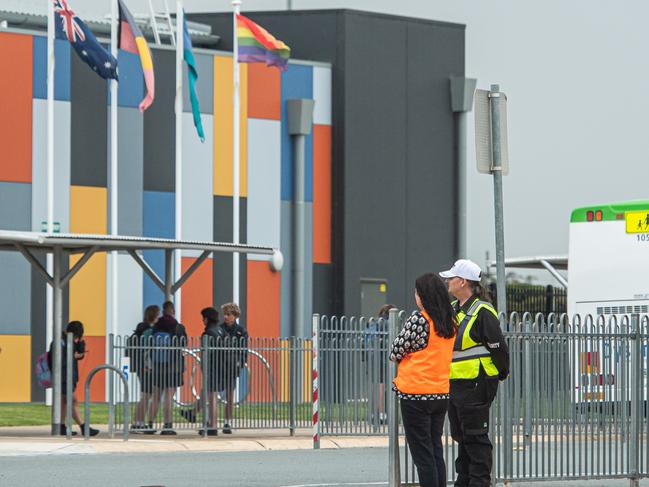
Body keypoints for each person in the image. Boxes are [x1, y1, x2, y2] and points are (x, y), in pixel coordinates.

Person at [439, 259, 510, 487]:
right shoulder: (452, 310)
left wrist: (501, 373)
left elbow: (498, 347)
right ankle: (465, 481)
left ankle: (479, 482)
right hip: (457, 382)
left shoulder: (482, 311)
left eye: (451, 278)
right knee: (461, 436)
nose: (447, 282)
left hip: (477, 383)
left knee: (475, 437)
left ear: (463, 282)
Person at [390, 273, 456, 487]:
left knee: (423, 455)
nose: (415, 296)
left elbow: (395, 351)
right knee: (435, 449)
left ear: (423, 296)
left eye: (417, 292)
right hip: (440, 393)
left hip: (415, 393)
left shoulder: (420, 319)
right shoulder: (450, 321)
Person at [48, 321, 99, 436]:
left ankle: (61, 425)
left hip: (67, 376)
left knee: (64, 401)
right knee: (72, 400)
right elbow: (60, 361)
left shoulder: (67, 341)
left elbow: (80, 355)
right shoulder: (61, 342)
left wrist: (80, 343)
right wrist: (73, 356)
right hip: (64, 377)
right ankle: (84, 427)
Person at [180, 307, 221, 436]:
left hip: (212, 369)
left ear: (207, 319)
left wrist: (204, 368)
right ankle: (194, 414)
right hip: (220, 368)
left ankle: (212, 426)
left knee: (212, 397)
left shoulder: (208, 334)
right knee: (207, 393)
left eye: (203, 318)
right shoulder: (221, 331)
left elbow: (205, 354)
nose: (202, 321)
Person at [148, 301, 187, 435]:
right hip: (173, 367)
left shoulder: (156, 327)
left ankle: (149, 425)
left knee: (156, 396)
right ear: (173, 311)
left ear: (163, 311)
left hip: (158, 366)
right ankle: (167, 425)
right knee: (169, 396)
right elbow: (184, 344)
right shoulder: (178, 327)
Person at [217, 302, 248, 434]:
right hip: (219, 365)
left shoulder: (241, 331)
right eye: (224, 314)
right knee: (212, 393)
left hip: (232, 367)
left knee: (230, 394)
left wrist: (240, 363)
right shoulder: (219, 329)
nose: (226, 316)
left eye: (228, 314)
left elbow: (244, 350)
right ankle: (209, 420)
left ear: (234, 316)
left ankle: (227, 422)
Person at [128, 304, 160, 432]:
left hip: (141, 366)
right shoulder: (147, 331)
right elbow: (146, 350)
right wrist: (147, 365)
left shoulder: (140, 329)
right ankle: (137, 422)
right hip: (145, 367)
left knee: (146, 394)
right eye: (158, 315)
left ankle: (138, 421)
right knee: (146, 394)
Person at [364, 304, 395, 425]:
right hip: (382, 358)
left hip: (371, 358)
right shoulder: (387, 323)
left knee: (374, 385)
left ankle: (373, 413)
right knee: (382, 386)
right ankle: (382, 414)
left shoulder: (374, 323)